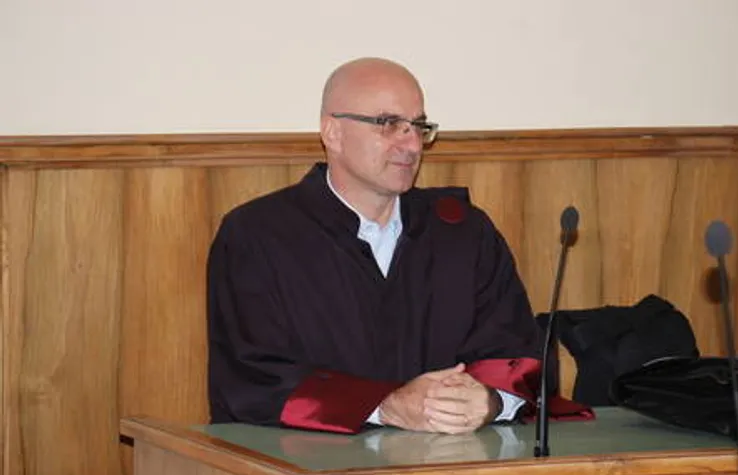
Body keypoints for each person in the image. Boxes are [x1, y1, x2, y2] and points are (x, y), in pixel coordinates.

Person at [206, 57, 590, 435]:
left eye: (418, 126)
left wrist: (489, 400)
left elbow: (516, 354)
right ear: (333, 133)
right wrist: (386, 406)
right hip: (309, 461)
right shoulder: (258, 235)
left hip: (455, 460)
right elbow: (253, 375)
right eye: (388, 124)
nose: (411, 144)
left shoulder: (463, 233)